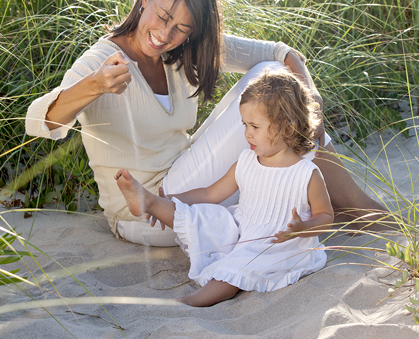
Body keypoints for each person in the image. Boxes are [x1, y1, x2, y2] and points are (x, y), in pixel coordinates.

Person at [25, 0, 387, 247]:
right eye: (164, 16)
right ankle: (358, 208)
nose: (166, 35)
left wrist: (314, 105)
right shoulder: (102, 60)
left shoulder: (183, 50)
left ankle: (341, 206)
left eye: (182, 28)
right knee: (273, 81)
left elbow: (284, 53)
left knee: (274, 73)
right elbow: (39, 122)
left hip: (193, 183)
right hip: (146, 212)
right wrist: (94, 85)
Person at [116, 69, 334, 307]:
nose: (247, 133)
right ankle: (152, 202)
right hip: (242, 228)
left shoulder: (306, 174)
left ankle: (194, 301)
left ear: (288, 129)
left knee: (239, 265)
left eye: (255, 126)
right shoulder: (246, 161)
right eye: (245, 124)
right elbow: (210, 194)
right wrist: (172, 198)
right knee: (206, 218)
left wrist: (302, 228)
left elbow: (326, 216)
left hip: (277, 245)